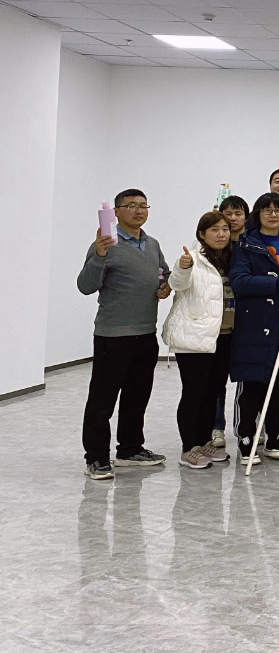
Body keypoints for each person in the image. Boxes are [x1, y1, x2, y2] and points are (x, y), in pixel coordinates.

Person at [78, 188, 170, 480]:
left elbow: (164, 273)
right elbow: (85, 285)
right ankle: (96, 458)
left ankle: (130, 450)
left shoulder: (152, 244)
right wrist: (100, 255)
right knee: (102, 400)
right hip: (113, 336)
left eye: (143, 205)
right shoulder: (106, 243)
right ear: (115, 212)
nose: (139, 210)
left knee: (137, 397)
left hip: (146, 333)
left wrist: (165, 286)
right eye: (131, 205)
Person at [229, 193, 279, 463]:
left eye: (278, 210)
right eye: (267, 210)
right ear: (258, 214)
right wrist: (277, 283)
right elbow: (239, 281)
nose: (274, 215)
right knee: (252, 382)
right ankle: (246, 439)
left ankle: (275, 437)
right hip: (254, 324)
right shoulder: (246, 244)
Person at [162, 211, 234, 469]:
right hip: (195, 337)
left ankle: (204, 442)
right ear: (202, 234)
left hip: (223, 336)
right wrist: (183, 267)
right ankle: (188, 448)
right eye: (214, 230)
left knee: (213, 391)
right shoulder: (192, 258)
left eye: (225, 229)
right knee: (194, 393)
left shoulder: (232, 259)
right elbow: (177, 284)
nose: (221, 234)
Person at [210, 194, 249, 447]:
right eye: (228, 213)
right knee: (216, 380)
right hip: (218, 325)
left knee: (249, 380)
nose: (233, 218)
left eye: (238, 213)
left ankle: (248, 426)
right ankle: (216, 427)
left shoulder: (252, 243)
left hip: (247, 323)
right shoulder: (209, 248)